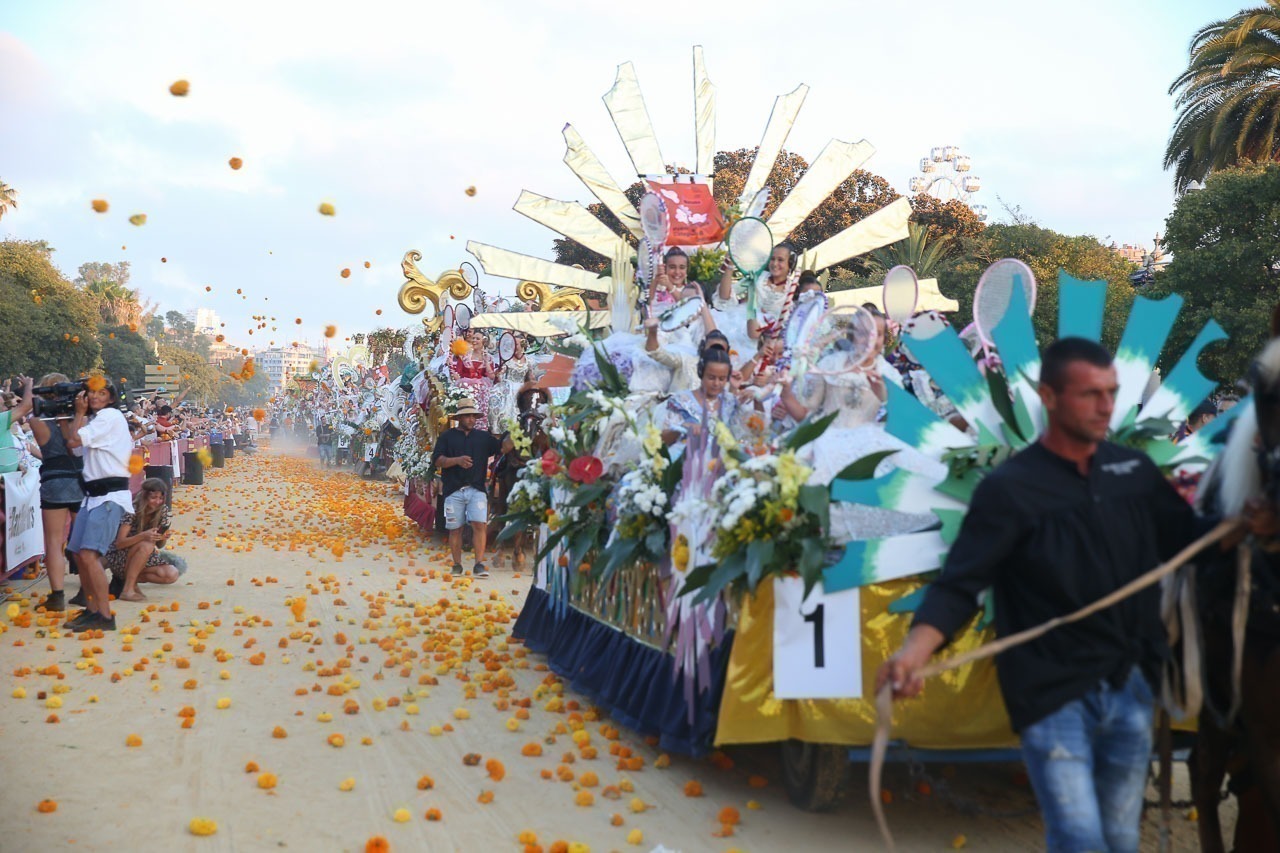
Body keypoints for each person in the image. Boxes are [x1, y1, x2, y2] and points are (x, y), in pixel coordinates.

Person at [875, 338, 1211, 853]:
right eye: (1090, 394)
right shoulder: (1009, 489)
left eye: (1112, 394)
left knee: (1121, 839)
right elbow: (960, 585)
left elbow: (1193, 542)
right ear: (1049, 397)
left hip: (1132, 686)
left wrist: (1247, 526)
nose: (1106, 407)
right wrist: (913, 654)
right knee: (1078, 839)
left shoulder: (1134, 474)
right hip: (1052, 692)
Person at [63, 380, 133, 631]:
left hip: (109, 497)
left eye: (101, 393)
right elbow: (77, 449)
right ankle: (92, 610)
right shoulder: (96, 421)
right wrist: (65, 415)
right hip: (92, 497)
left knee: (90, 555)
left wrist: (79, 412)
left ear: (111, 398)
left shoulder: (110, 416)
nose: (94, 396)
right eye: (91, 391)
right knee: (78, 554)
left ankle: (104, 615)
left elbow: (73, 442)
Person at [430, 397, 513, 579]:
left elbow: (503, 448)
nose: (471, 420)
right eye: (467, 416)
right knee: (456, 529)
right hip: (453, 490)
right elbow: (437, 460)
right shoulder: (447, 437)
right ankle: (457, 565)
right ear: (459, 418)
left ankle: (479, 564)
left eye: (473, 416)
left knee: (479, 525)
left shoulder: (483, 438)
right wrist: (456, 461)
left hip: (477, 489)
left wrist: (514, 433)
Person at [26, 374, 85, 612]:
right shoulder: (81, 417)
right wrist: (75, 413)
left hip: (54, 480)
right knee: (81, 539)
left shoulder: (37, 419)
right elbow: (76, 443)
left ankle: (57, 594)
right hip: (81, 480)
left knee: (53, 540)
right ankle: (86, 588)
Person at [103, 478, 180, 601]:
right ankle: (128, 589)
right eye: (153, 498)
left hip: (143, 556)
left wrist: (162, 537)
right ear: (145, 496)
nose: (157, 502)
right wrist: (143, 536)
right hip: (121, 555)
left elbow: (159, 546)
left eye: (160, 498)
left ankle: (124, 581)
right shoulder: (132, 509)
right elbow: (119, 543)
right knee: (147, 545)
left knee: (171, 574)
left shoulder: (163, 510)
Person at [716, 242, 798, 341]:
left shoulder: (793, 290)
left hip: (768, 340)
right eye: (772, 259)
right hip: (739, 327)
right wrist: (730, 267)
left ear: (790, 263)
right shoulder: (758, 277)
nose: (775, 263)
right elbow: (724, 296)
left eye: (780, 260)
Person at [661, 347, 740, 448]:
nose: (716, 383)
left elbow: (744, 436)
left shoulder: (731, 402)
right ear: (701, 373)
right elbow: (662, 441)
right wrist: (681, 429)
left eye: (722, 379)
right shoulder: (681, 401)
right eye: (711, 378)